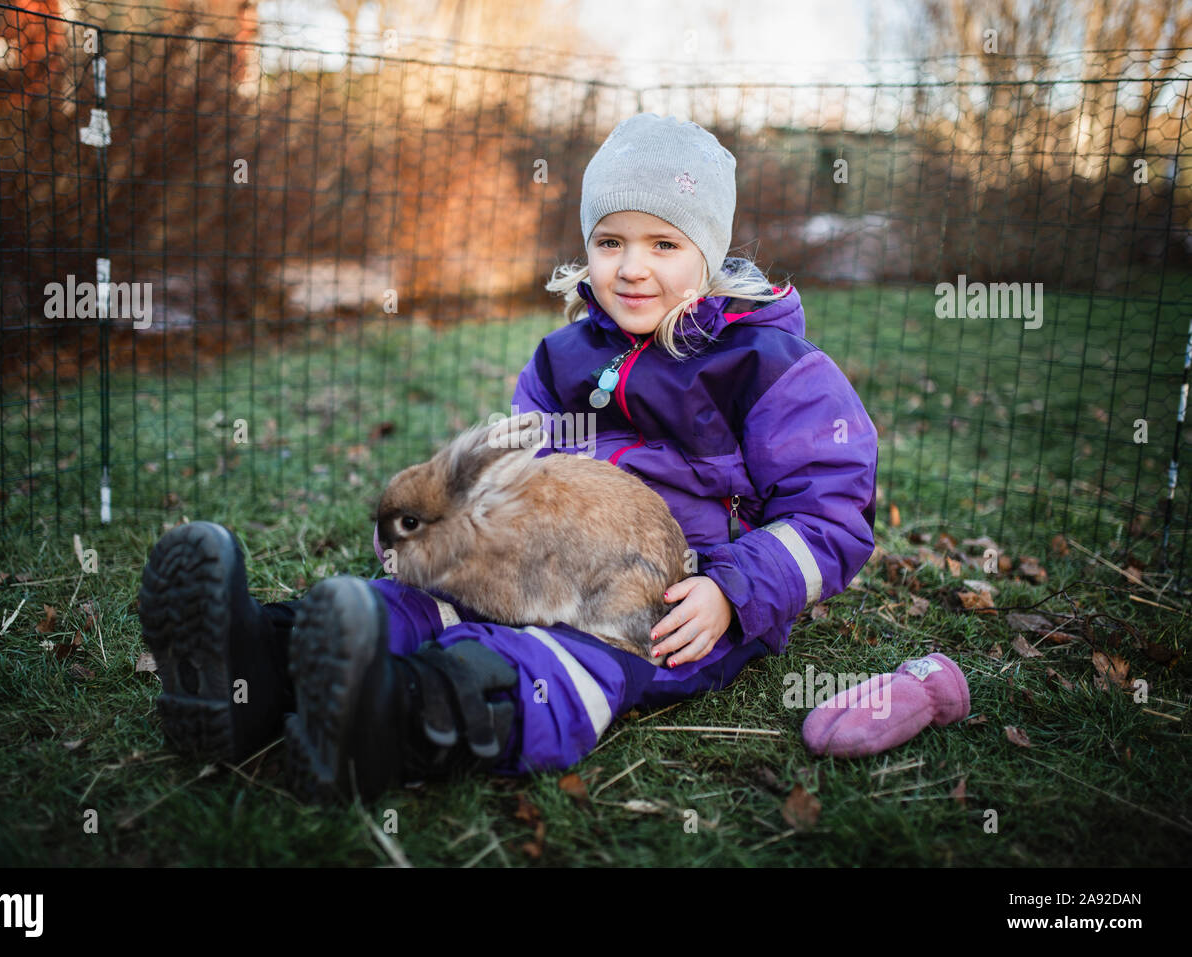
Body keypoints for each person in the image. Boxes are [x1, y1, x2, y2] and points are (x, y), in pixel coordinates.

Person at [137, 112, 878, 804]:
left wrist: (731, 589)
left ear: (708, 252)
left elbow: (830, 514)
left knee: (564, 663)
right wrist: (431, 525)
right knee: (429, 599)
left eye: (664, 244)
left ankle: (394, 719)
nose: (630, 268)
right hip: (541, 561)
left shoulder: (766, 364)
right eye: (610, 241)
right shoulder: (566, 357)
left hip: (668, 597)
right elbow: (513, 468)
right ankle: (259, 665)